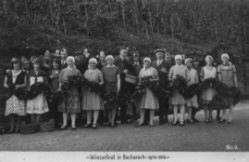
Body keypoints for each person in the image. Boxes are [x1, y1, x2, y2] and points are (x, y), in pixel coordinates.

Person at [3, 58, 27, 133]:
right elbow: (4, 83)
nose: (16, 65)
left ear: (20, 64)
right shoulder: (9, 73)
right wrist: (10, 86)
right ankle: (12, 128)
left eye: (17, 64)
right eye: (14, 64)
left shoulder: (23, 73)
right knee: (11, 112)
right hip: (11, 94)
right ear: (12, 65)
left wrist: (19, 86)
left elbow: (25, 84)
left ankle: (17, 128)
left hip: (19, 94)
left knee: (18, 112)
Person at [58, 56, 81, 130]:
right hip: (65, 91)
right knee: (64, 108)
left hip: (74, 91)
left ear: (74, 62)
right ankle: (64, 124)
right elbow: (60, 82)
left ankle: (73, 124)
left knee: (73, 108)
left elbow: (80, 81)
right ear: (67, 62)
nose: (70, 62)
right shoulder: (63, 71)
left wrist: (75, 83)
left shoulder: (77, 71)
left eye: (71, 61)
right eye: (69, 61)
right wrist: (60, 89)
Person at [136, 57, 159, 126]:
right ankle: (142, 120)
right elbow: (139, 80)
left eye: (148, 62)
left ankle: (151, 121)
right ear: (143, 62)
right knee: (142, 105)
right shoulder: (141, 70)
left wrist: (152, 81)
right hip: (143, 90)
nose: (146, 63)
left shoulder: (153, 70)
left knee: (151, 105)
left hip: (151, 90)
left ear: (150, 63)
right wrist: (140, 86)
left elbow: (157, 78)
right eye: (145, 62)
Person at [82, 58, 104, 129]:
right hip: (87, 91)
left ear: (96, 64)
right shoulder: (86, 71)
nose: (92, 64)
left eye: (94, 63)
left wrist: (97, 86)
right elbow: (83, 80)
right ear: (89, 64)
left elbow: (102, 81)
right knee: (88, 106)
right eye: (91, 63)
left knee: (95, 107)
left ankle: (94, 122)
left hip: (95, 91)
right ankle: (88, 122)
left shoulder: (98, 71)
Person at [26, 58, 49, 124]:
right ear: (33, 65)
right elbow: (27, 82)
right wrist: (28, 89)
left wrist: (44, 89)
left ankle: (37, 122)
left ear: (39, 65)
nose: (36, 66)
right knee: (31, 106)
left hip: (40, 93)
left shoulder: (43, 73)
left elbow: (46, 82)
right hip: (31, 93)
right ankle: (32, 122)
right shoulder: (30, 72)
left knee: (39, 106)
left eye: (38, 64)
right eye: (35, 64)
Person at [217, 53, 238, 123]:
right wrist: (220, 86)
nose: (225, 59)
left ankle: (230, 118)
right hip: (223, 87)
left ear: (228, 59)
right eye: (223, 58)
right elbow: (219, 78)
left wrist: (236, 85)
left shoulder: (232, 66)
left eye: (226, 58)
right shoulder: (219, 67)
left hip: (231, 86)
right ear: (221, 59)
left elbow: (235, 76)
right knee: (224, 102)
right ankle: (223, 117)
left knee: (231, 103)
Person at [168, 55, 188, 126]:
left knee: (182, 104)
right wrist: (174, 80)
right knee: (175, 104)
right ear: (175, 61)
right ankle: (175, 120)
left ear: (181, 60)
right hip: (175, 89)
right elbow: (169, 77)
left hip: (182, 89)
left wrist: (183, 80)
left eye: (179, 60)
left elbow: (187, 77)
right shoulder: (172, 68)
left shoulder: (185, 67)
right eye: (177, 60)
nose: (178, 61)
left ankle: (182, 120)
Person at [102, 55, 121, 127]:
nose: (110, 61)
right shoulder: (103, 68)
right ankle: (109, 121)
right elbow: (102, 79)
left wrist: (118, 88)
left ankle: (113, 121)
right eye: (108, 60)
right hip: (106, 87)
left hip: (114, 87)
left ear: (113, 60)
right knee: (108, 106)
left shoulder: (116, 68)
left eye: (111, 60)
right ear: (106, 61)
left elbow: (118, 79)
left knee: (114, 106)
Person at [152, 49, 169, 125]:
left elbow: (170, 75)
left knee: (163, 102)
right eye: (158, 54)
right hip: (153, 85)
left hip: (163, 85)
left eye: (161, 54)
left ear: (163, 55)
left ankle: (162, 118)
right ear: (156, 55)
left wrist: (166, 72)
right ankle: (149, 119)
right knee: (153, 101)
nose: (159, 55)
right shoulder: (152, 63)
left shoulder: (167, 63)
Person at [114, 47, 130, 124]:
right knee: (117, 100)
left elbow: (130, 67)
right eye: (123, 52)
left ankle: (123, 119)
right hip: (118, 81)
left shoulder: (126, 60)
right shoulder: (116, 59)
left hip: (125, 82)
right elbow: (114, 69)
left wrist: (127, 71)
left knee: (124, 101)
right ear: (120, 52)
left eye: (126, 52)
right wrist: (122, 71)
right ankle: (115, 119)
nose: (125, 54)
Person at [200, 55, 217, 123]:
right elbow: (201, 77)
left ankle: (210, 117)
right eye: (207, 60)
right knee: (205, 103)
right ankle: (206, 117)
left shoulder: (215, 68)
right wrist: (205, 82)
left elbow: (216, 78)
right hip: (206, 87)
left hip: (212, 87)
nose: (209, 61)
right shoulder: (203, 68)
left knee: (211, 103)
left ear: (212, 61)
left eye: (210, 60)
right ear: (206, 61)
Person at [48, 58, 61, 128]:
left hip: (59, 91)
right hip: (52, 91)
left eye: (56, 63)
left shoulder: (61, 71)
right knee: (53, 108)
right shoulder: (50, 71)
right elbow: (47, 80)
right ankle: (53, 122)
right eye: (54, 63)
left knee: (59, 107)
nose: (55, 64)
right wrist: (50, 77)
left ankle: (59, 122)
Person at [185, 58, 199, 124]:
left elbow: (196, 81)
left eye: (190, 62)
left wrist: (195, 88)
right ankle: (184, 118)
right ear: (185, 63)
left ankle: (189, 117)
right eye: (188, 62)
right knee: (187, 104)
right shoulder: (184, 70)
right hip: (186, 89)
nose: (189, 64)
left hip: (193, 89)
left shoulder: (194, 71)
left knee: (192, 104)